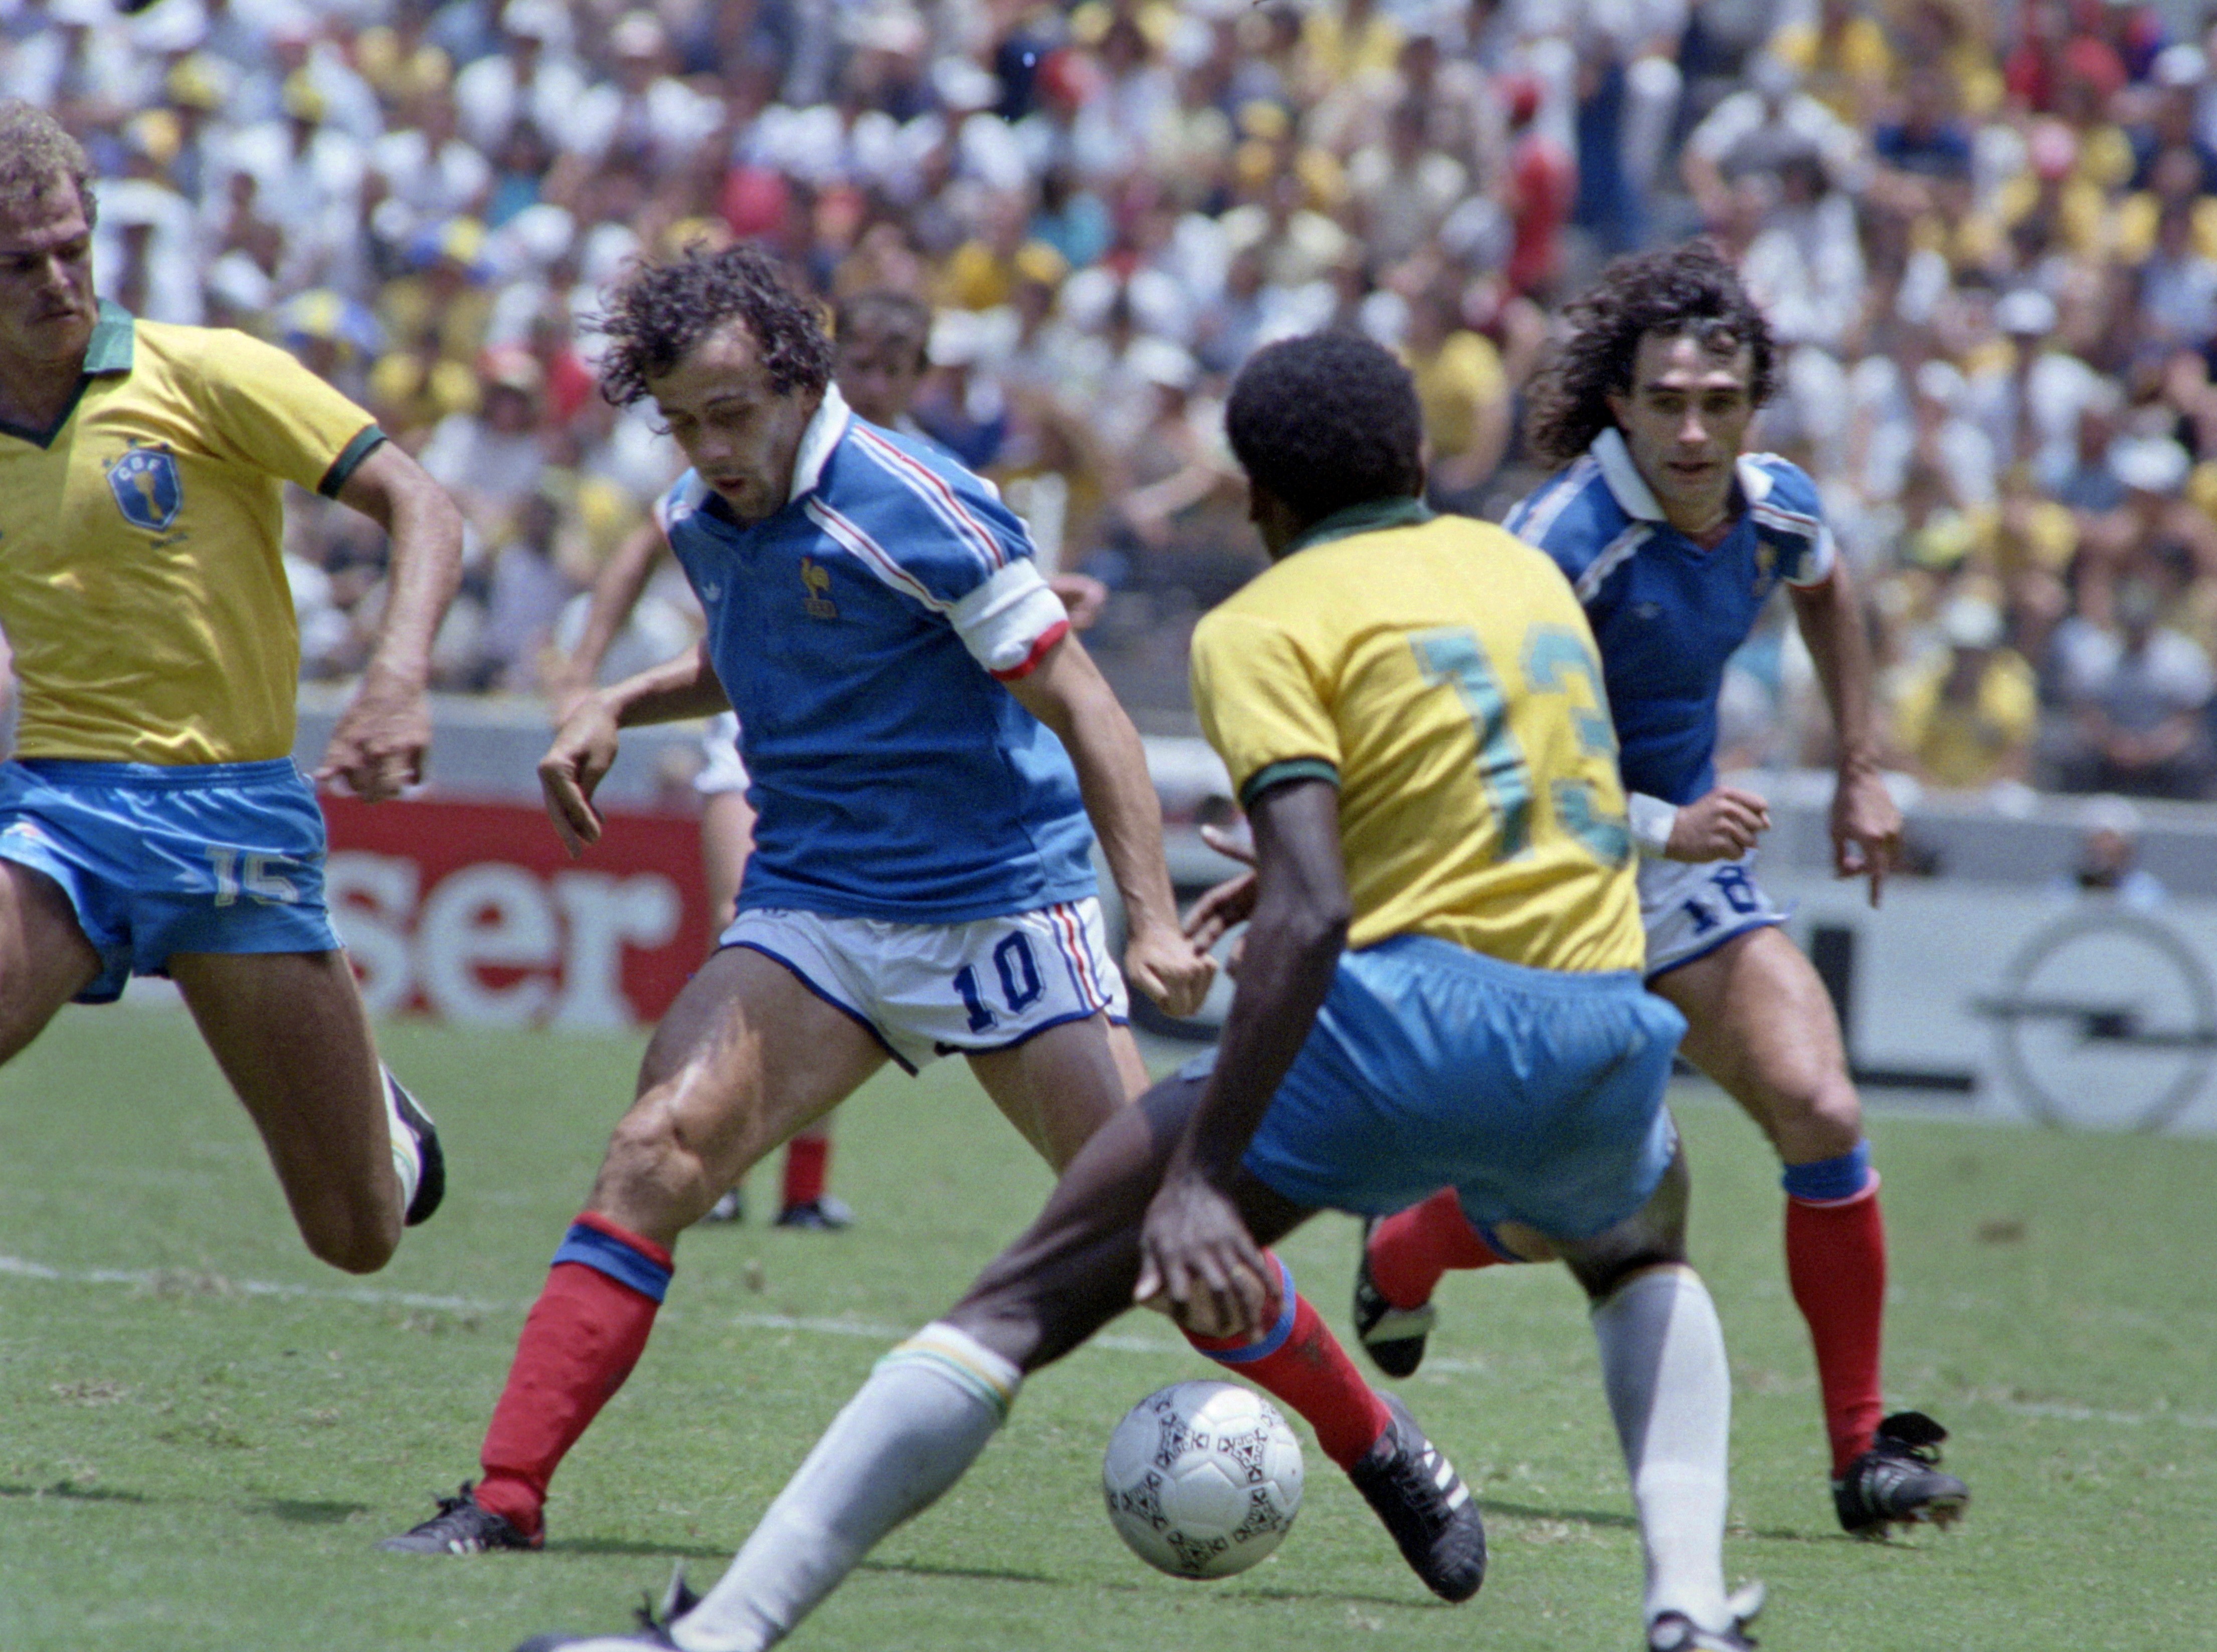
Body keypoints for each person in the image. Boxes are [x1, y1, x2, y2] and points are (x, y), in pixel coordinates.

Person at [514, 326, 1760, 1652]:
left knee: (1015, 1306)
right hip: (1601, 1025)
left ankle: (716, 1635)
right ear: (1416, 458)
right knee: (1641, 1257)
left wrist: (1205, 1176)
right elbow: (1519, 807)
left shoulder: (1261, 625)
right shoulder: (1524, 571)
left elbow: (1318, 910)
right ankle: (1690, 1609)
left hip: (1396, 1029)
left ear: (1256, 499)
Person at [387, 251, 1469, 1603]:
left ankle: (1380, 1446)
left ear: (800, 384)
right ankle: (506, 1496)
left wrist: (1146, 920)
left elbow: (1089, 710)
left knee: (1159, 1234)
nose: (710, 447)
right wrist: (619, 702)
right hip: (821, 906)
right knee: (656, 1150)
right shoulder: (700, 513)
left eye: (732, 413)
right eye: (683, 422)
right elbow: (753, 653)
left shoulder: (922, 505)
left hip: (1001, 905)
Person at [1351, 242, 1970, 1537]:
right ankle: (1407, 1246)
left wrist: (1860, 770)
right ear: (1619, 405)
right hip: (1530, 888)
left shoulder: (1776, 506)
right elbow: (1486, 752)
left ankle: (1864, 1454)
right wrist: (1659, 823)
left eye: (1720, 404)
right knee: (1589, 1214)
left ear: (1755, 407)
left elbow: (1830, 591)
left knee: (1819, 1104)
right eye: (1668, 402)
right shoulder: (1557, 544)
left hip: (1678, 879)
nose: (1694, 431)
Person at [0, 103, 457, 1276]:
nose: (58, 280)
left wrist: (397, 679)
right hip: (62, 811)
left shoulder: (208, 373)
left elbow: (423, 503)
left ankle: (386, 1126)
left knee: (358, 1234)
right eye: (21, 263)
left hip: (230, 815)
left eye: (71, 249)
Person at [552, 291, 1010, 1233]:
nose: (872, 380)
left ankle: (798, 1185)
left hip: (878, 775)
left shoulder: (926, 481)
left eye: (892, 366)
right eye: (860, 361)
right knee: (756, 927)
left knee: (828, 949)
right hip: (752, 731)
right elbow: (649, 553)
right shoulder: (738, 462)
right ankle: (715, 1162)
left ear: (919, 376)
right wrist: (586, 679)